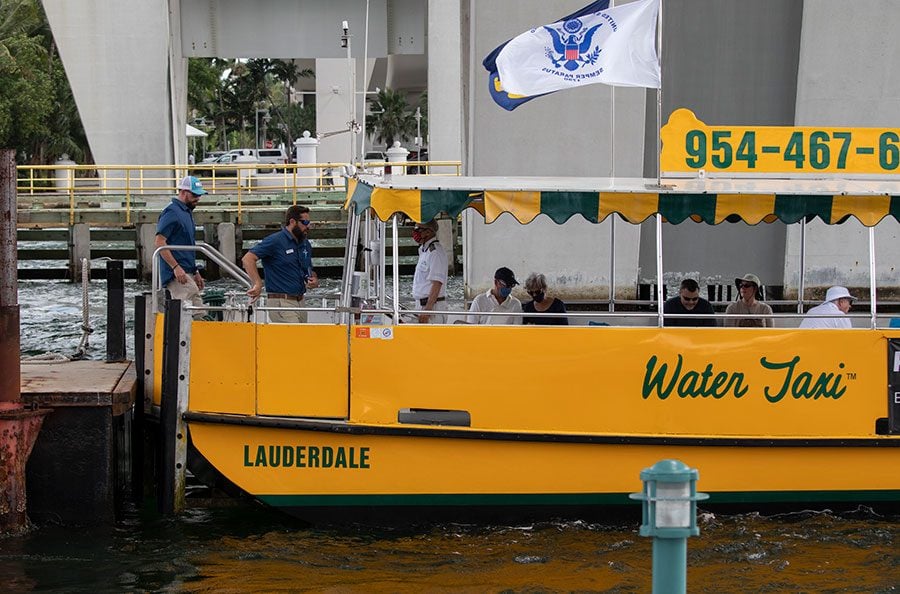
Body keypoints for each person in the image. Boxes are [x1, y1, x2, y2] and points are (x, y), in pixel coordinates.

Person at [242, 205, 318, 323]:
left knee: (301, 339)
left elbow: (307, 268)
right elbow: (248, 259)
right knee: (293, 339)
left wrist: (314, 279)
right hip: (281, 301)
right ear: (292, 222)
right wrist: (257, 284)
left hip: (301, 301)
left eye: (309, 222)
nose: (308, 226)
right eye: (305, 222)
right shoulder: (275, 240)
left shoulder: (305, 244)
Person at [155, 175, 206, 315]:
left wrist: (195, 271)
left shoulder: (186, 212)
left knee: (199, 310)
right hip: (176, 274)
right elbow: (160, 242)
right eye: (195, 195)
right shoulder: (172, 212)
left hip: (186, 270)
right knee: (184, 303)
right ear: (183, 192)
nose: (198, 198)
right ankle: (175, 334)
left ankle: (201, 334)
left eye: (199, 195)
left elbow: (187, 245)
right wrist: (176, 268)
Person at [411, 219, 448, 323]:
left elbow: (437, 283)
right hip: (422, 305)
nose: (415, 232)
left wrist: (428, 310)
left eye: (418, 229)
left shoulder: (435, 252)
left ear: (428, 232)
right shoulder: (424, 251)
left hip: (432, 308)